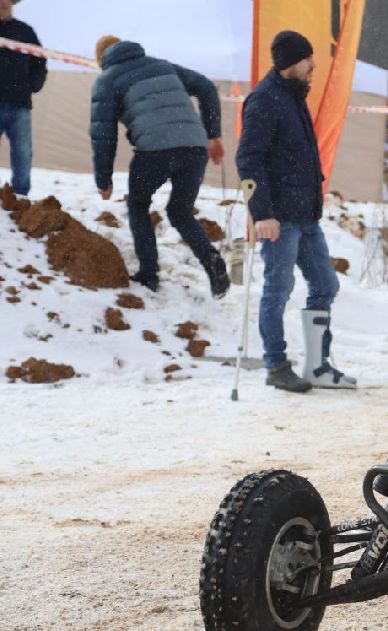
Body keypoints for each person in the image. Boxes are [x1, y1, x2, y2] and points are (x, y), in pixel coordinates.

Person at [236, 30, 355, 392]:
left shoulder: (292, 95)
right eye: (308, 59)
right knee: (278, 288)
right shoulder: (264, 100)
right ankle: (276, 364)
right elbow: (249, 160)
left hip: (306, 215)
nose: (313, 65)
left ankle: (318, 365)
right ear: (291, 62)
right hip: (279, 218)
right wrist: (262, 214)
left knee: (324, 284)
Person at [90, 35, 229, 298]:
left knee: (139, 204)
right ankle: (211, 260)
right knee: (180, 211)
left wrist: (103, 179)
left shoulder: (107, 80)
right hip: (194, 147)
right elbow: (207, 88)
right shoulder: (162, 65)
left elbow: (103, 135)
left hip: (155, 151)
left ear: (101, 60)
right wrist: (212, 133)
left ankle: (149, 274)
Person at [0, 0, 47, 196]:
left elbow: (40, 59)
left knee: (23, 153)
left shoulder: (25, 31)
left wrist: (33, 85)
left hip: (20, 104)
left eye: (7, 0)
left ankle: (20, 196)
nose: (3, 3)